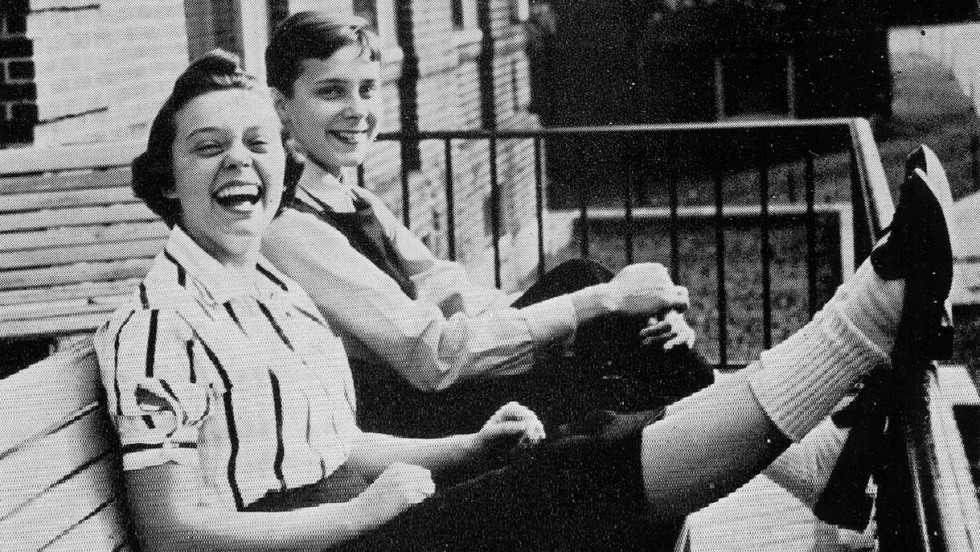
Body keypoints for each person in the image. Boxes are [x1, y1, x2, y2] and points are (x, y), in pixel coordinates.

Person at [94, 48, 956, 552]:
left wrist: (467, 448)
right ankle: (858, 329)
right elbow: (170, 531)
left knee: (574, 460)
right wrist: (357, 513)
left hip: (353, 523)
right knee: (574, 484)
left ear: (281, 161)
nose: (239, 161)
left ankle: (850, 353)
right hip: (327, 544)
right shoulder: (159, 321)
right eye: (207, 148)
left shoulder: (269, 291)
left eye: (255, 143)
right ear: (165, 181)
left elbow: (338, 445)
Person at [260, 12, 714, 437]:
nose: (356, 109)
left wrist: (630, 310)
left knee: (594, 294)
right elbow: (432, 357)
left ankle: (712, 406)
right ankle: (731, 421)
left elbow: (456, 297)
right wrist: (607, 300)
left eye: (366, 89)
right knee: (602, 315)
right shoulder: (291, 228)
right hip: (408, 419)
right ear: (282, 108)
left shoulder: (356, 199)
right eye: (331, 92)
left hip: (439, 390)